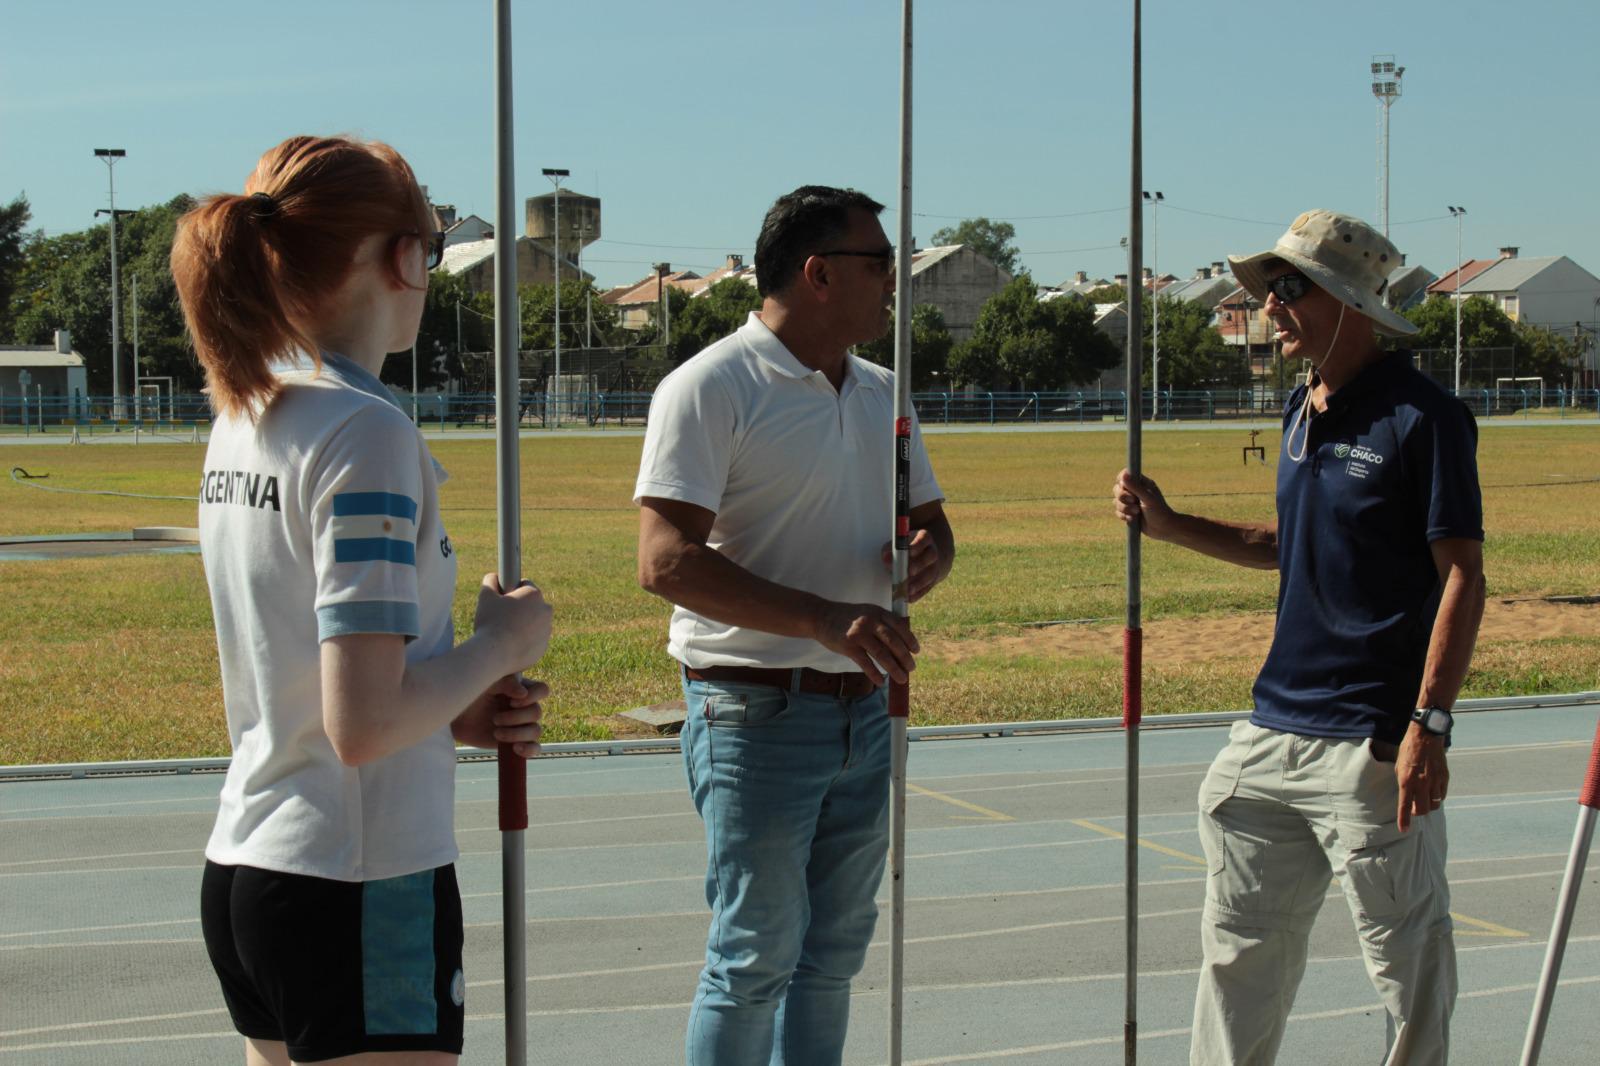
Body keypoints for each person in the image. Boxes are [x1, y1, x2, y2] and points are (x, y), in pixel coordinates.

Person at [172, 135, 554, 1066]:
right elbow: (363, 726)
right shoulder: (364, 432)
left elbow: (329, 682)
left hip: (255, 863)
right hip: (358, 876)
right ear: (403, 257)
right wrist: (504, 643)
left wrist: (450, 711)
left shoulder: (249, 410)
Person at [1113, 209, 1485, 1066]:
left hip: (1371, 746)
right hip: (1271, 732)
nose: (1269, 307)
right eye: (1269, 290)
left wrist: (1428, 727)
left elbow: (1461, 575)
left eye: (1287, 289)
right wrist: (1172, 527)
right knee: (1236, 960)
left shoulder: (1423, 418)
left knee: (1409, 971)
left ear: (1348, 302)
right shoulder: (1300, 407)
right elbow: (1294, 545)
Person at [634, 185, 956, 1065]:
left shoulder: (883, 391)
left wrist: (932, 551)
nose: (896, 282)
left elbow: (930, 520)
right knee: (753, 959)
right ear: (819, 273)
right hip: (753, 713)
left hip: (865, 709)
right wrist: (822, 618)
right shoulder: (710, 387)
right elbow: (664, 560)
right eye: (881, 265)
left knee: (832, 957)